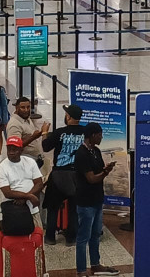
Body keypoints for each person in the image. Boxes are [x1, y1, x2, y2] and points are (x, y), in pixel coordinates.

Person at [74, 122, 119, 277]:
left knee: (95, 235)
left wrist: (105, 169)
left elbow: (98, 171)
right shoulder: (81, 154)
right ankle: (81, 271)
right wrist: (106, 172)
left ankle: (95, 265)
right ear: (92, 135)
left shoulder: (96, 151)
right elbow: (92, 178)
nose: (102, 137)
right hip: (85, 202)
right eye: (100, 134)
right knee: (83, 238)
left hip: (97, 199)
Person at [42, 103, 86, 245]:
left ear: (68, 117)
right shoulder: (85, 132)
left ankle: (50, 237)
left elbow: (45, 147)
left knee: (53, 207)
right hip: (78, 175)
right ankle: (71, 238)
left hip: (59, 175)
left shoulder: (59, 132)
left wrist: (44, 133)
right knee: (74, 208)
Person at [0, 136, 44, 230]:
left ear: (21, 150)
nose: (11, 152)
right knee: (12, 237)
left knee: (36, 235)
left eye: (14, 149)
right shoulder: (1, 168)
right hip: (12, 209)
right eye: (9, 149)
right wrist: (29, 196)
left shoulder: (30, 162)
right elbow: (7, 193)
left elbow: (39, 183)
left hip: (32, 210)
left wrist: (25, 198)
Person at [7, 97, 49, 169]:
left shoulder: (26, 118)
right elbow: (14, 147)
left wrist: (41, 132)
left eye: (28, 107)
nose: (26, 110)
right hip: (25, 163)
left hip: (34, 160)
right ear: (16, 108)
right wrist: (33, 137)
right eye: (23, 107)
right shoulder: (14, 125)